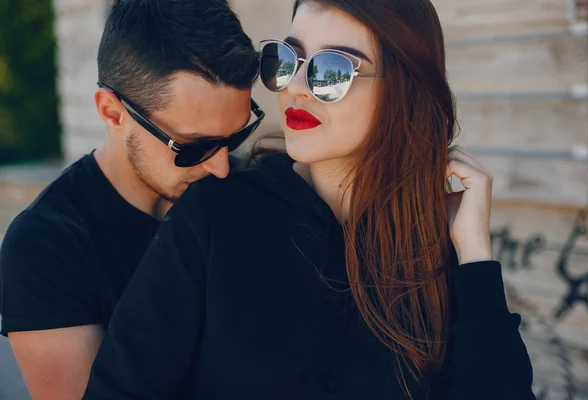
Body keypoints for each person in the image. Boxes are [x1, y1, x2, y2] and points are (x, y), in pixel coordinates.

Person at [83, 0, 535, 399]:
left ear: (403, 89)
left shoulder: (432, 243)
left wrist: (473, 252)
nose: (295, 86)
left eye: (332, 70)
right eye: (287, 58)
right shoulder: (217, 215)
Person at [0, 1, 263, 399]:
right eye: (194, 147)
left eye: (236, 136)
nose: (223, 167)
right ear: (112, 112)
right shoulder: (44, 248)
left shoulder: (247, 193)